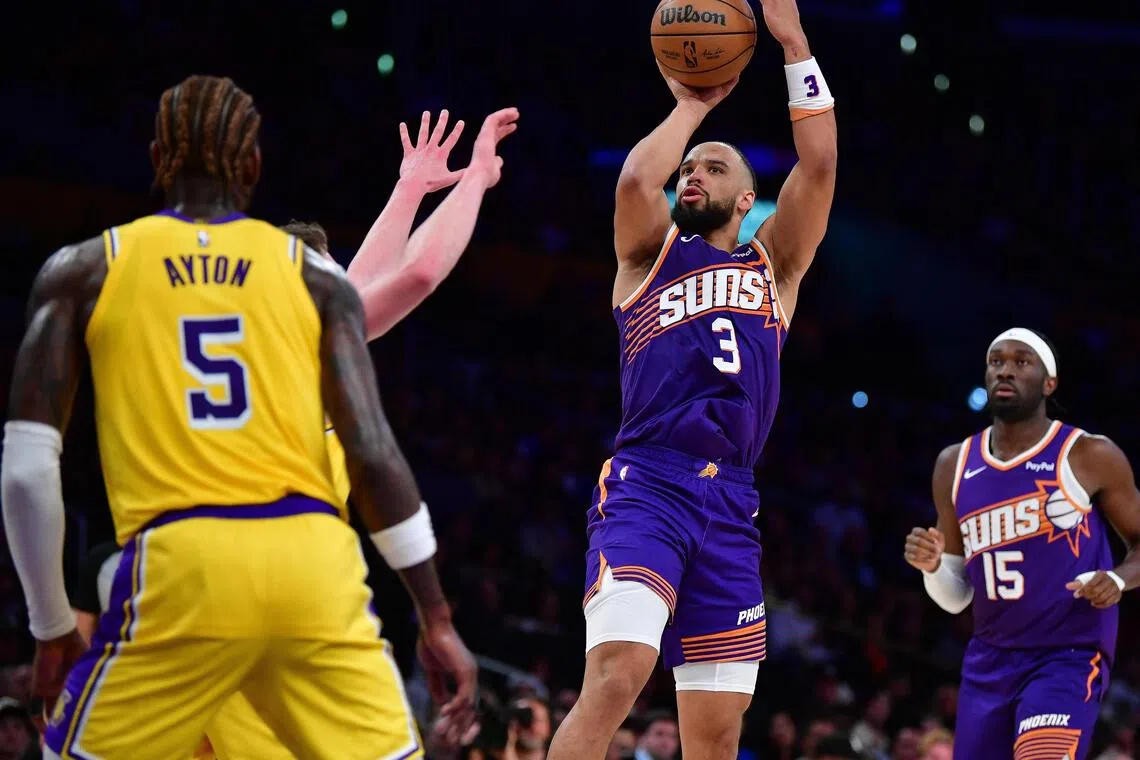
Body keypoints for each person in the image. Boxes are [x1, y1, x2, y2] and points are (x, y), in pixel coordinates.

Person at [0, 74, 480, 760]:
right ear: (253, 164)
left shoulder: (87, 269)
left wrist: (49, 626)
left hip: (180, 565)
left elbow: (23, 477)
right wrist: (435, 615)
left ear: (157, 153)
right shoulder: (308, 296)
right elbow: (408, 292)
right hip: (310, 568)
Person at [546, 0, 837, 757]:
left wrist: (793, 43)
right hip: (650, 484)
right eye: (691, 167)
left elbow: (821, 166)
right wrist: (690, 105)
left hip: (733, 501)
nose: (693, 172)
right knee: (617, 675)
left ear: (748, 199)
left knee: (715, 735)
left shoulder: (774, 264)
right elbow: (638, 178)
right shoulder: (647, 255)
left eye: (714, 166)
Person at [905, 328, 1140, 760]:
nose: (1005, 370)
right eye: (996, 362)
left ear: (1050, 383)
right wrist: (934, 567)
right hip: (989, 661)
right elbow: (956, 598)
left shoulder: (1088, 453)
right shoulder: (953, 464)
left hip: (1067, 654)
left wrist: (1119, 579)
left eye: (1021, 361)